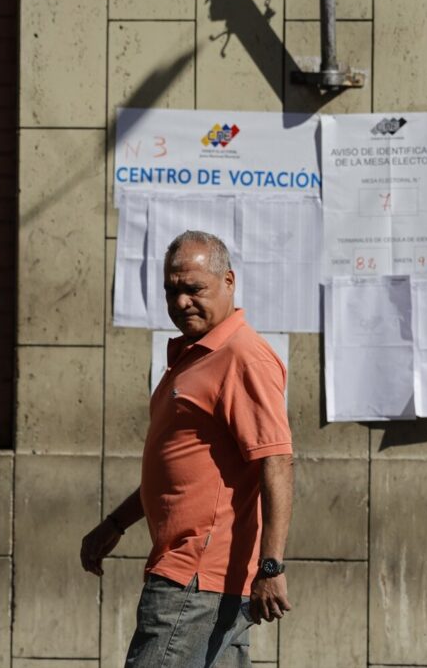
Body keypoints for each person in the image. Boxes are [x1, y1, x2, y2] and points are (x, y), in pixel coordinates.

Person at [80, 230, 294, 668]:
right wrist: (116, 523)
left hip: (194, 576)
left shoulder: (241, 355)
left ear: (229, 282)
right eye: (171, 290)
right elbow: (185, 470)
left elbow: (276, 459)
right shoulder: (193, 357)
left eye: (194, 289)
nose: (181, 303)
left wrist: (271, 566)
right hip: (198, 577)